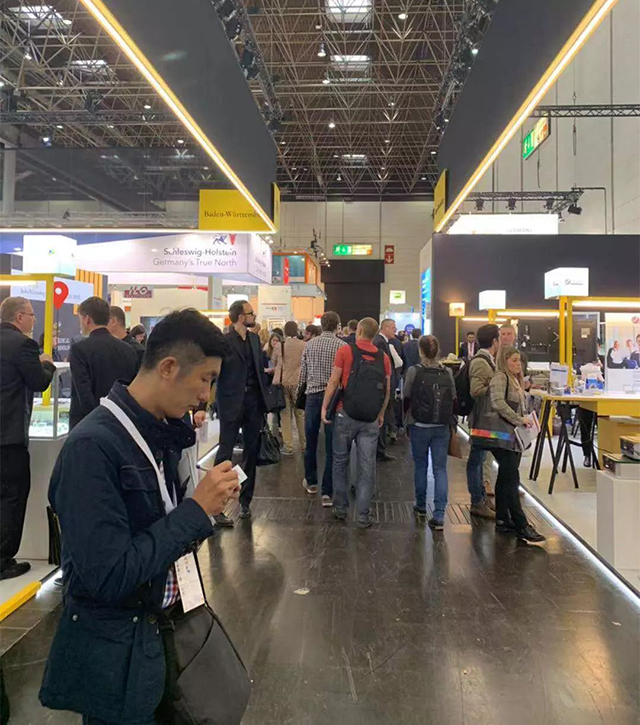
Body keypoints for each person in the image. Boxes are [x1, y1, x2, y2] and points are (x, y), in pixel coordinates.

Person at [39, 309, 241, 724]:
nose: (206, 395)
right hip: (118, 659)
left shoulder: (160, 434)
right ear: (168, 367)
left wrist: (203, 509)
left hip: (159, 638)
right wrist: (195, 511)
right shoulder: (92, 449)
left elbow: (160, 530)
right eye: (205, 379)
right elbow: (110, 575)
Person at [0, 297, 56, 580]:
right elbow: (38, 381)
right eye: (32, 315)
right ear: (20, 317)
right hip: (9, 437)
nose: (34, 320)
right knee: (13, 496)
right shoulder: (23, 345)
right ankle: (3, 560)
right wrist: (46, 364)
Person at [324, 318, 390, 527]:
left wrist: (325, 407)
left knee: (340, 461)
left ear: (359, 330)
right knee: (367, 466)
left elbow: (334, 381)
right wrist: (380, 414)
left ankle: (340, 507)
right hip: (370, 418)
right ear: (375, 334)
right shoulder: (383, 357)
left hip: (345, 413)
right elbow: (387, 390)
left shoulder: (345, 351)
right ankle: (363, 515)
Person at [215, 300, 268, 523]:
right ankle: (217, 504)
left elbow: (259, 370)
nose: (254, 316)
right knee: (225, 452)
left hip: (253, 403)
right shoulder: (224, 342)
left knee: (251, 452)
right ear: (240, 316)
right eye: (250, 313)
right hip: (230, 403)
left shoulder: (255, 340)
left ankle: (246, 500)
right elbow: (215, 372)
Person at [489, 346, 545, 543]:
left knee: (506, 476)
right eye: (513, 360)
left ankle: (503, 519)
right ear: (504, 361)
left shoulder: (514, 379)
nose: (518, 364)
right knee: (512, 478)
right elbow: (497, 403)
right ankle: (521, 524)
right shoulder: (500, 377)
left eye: (519, 360)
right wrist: (519, 419)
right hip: (503, 435)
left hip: (512, 437)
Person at [403, 335, 455, 530]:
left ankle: (421, 504)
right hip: (441, 426)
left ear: (421, 351)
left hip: (419, 424)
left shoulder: (414, 371)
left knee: (420, 466)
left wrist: (405, 422)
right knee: (440, 469)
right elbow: (454, 398)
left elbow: (406, 396)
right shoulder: (447, 372)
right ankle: (439, 514)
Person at [297, 311, 346, 505]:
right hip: (333, 399)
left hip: (312, 396)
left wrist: (299, 395)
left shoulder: (309, 345)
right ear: (337, 326)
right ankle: (327, 491)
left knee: (311, 441)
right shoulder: (342, 346)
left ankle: (311, 482)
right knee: (332, 445)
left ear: (321, 325)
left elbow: (303, 374)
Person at [68, 297, 139, 430]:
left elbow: (83, 393)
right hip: (122, 422)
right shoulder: (128, 350)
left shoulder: (79, 349)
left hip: (87, 425)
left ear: (87, 319)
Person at [466, 324, 499, 520]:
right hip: (480, 419)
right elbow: (476, 390)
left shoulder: (488, 360)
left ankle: (481, 499)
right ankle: (477, 501)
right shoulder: (481, 362)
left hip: (485, 419)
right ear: (495, 341)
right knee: (476, 460)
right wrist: (498, 386)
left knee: (480, 458)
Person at [374, 319, 403, 460]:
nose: (395, 330)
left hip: (384, 387)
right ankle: (380, 451)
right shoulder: (380, 342)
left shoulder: (383, 342)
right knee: (382, 419)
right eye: (393, 327)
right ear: (384, 328)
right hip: (382, 388)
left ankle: (381, 450)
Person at [278, 321, 307, 455]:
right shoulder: (304, 345)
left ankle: (288, 446)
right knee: (300, 414)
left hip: (284, 382)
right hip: (299, 383)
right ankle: (304, 444)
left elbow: (276, 362)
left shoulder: (281, 346)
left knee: (285, 414)